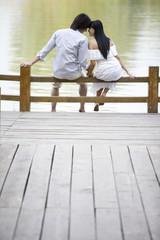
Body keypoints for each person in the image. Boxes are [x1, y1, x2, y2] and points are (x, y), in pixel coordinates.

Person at [21, 13, 91, 112]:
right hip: (73, 73)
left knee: (55, 86)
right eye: (86, 28)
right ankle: (82, 108)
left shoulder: (59, 32)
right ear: (84, 26)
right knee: (83, 83)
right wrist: (89, 69)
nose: (86, 31)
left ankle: (53, 110)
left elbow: (45, 50)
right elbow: (82, 61)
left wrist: (31, 63)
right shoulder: (83, 39)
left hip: (58, 71)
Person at [87, 20, 135, 111]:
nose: (88, 30)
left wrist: (89, 73)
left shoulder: (91, 43)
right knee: (112, 73)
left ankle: (97, 101)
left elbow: (93, 63)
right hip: (116, 68)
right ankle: (104, 93)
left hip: (102, 71)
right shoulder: (109, 40)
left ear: (95, 29)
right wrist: (129, 72)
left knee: (99, 77)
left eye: (90, 29)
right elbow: (118, 57)